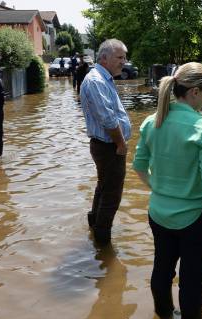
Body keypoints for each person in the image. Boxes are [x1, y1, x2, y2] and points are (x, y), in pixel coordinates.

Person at [132, 62, 202, 319]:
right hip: (197, 218)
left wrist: (160, 189)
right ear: (195, 92)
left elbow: (139, 165)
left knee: (161, 269)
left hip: (159, 213)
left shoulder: (153, 121)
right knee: (191, 283)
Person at [80, 39, 132, 245]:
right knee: (112, 196)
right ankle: (102, 243)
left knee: (104, 187)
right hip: (109, 146)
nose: (124, 62)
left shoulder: (103, 78)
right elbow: (108, 118)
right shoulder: (96, 81)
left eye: (124, 57)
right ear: (104, 58)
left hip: (107, 145)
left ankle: (95, 227)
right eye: (120, 57)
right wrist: (120, 143)